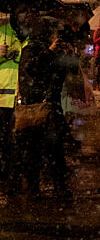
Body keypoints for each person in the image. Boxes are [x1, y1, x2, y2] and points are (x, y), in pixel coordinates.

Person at [11, 12, 71, 199]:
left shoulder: (46, 48)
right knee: (37, 151)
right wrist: (50, 52)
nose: (55, 35)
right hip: (36, 106)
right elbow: (31, 68)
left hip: (49, 105)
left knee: (50, 150)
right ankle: (33, 189)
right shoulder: (32, 48)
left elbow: (59, 74)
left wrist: (67, 56)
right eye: (52, 32)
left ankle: (56, 187)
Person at [0, 7, 22, 189]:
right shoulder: (3, 32)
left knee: (14, 138)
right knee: (5, 135)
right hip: (3, 95)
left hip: (20, 95)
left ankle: (12, 170)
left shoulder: (27, 37)